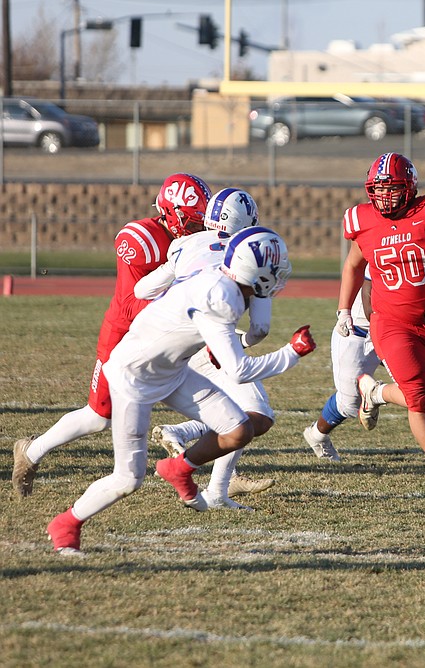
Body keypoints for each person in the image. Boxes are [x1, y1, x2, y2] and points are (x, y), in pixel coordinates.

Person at [46, 227, 317, 554]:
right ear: (252, 270)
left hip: (173, 370)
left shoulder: (233, 282)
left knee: (240, 429)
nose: (278, 273)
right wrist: (291, 353)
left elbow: (258, 326)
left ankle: (179, 467)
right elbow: (238, 370)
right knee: (128, 480)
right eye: (273, 267)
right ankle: (67, 523)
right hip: (134, 376)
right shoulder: (221, 297)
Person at [12, 173, 211, 498]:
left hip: (166, 341)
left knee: (223, 406)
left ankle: (219, 482)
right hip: (124, 339)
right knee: (97, 417)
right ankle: (30, 453)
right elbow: (131, 301)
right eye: (190, 222)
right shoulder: (142, 238)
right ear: (170, 212)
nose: (195, 230)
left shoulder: (193, 241)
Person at [337, 152, 425, 494]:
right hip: (390, 322)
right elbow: (354, 266)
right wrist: (344, 309)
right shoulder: (363, 219)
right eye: (379, 189)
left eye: (392, 189)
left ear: (410, 187)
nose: (385, 196)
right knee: (419, 396)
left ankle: (375, 391)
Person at [140, 187, 277, 509]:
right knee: (257, 414)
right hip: (212, 343)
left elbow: (143, 289)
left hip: (174, 341)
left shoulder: (185, 243)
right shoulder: (246, 255)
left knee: (235, 410)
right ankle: (209, 479)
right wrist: (240, 341)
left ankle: (214, 482)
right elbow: (260, 330)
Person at [303, 272, 425, 463]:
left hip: (401, 331)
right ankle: (317, 434)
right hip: (359, 332)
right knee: (349, 403)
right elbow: (367, 289)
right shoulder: (387, 244)